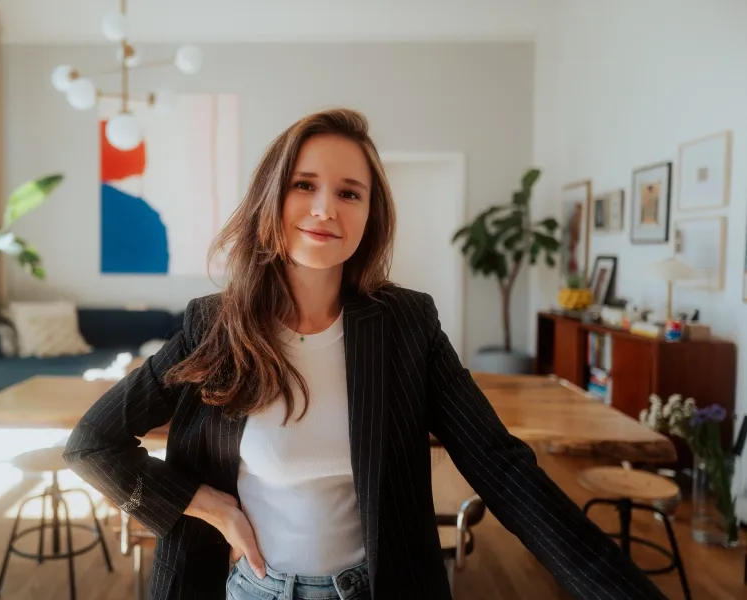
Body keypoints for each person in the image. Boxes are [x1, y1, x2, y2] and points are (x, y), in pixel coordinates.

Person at [63, 108, 666, 600]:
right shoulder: (213, 326)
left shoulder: (407, 324)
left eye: (349, 193)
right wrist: (207, 505)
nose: (326, 208)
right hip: (253, 591)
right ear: (271, 201)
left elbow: (502, 468)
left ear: (369, 216)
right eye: (305, 185)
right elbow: (92, 443)